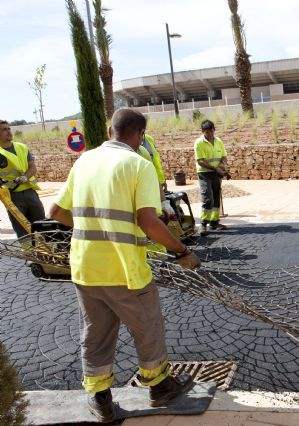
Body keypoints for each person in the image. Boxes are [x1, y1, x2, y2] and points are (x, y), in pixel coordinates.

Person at [49, 108, 201, 423]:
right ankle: (159, 386)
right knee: (148, 326)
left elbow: (56, 211)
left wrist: (96, 226)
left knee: (96, 333)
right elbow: (148, 221)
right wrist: (181, 250)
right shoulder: (138, 165)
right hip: (124, 269)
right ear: (140, 135)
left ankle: (100, 400)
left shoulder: (85, 161)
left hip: (85, 267)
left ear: (110, 132)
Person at [0, 120, 45, 237]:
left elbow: (33, 167)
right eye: (4, 130)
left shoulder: (22, 147)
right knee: (22, 231)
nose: (8, 132)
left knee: (42, 226)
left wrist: (25, 177)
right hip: (12, 196)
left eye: (8, 128)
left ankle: (46, 254)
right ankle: (29, 254)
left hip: (31, 192)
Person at [194, 119, 228, 235]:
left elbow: (224, 156)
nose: (210, 134)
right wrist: (215, 168)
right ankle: (203, 224)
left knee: (216, 196)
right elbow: (200, 161)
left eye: (212, 131)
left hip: (216, 173)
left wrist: (222, 165)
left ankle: (214, 222)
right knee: (207, 197)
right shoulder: (199, 143)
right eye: (207, 132)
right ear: (203, 132)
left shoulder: (219, 141)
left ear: (214, 130)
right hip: (204, 173)